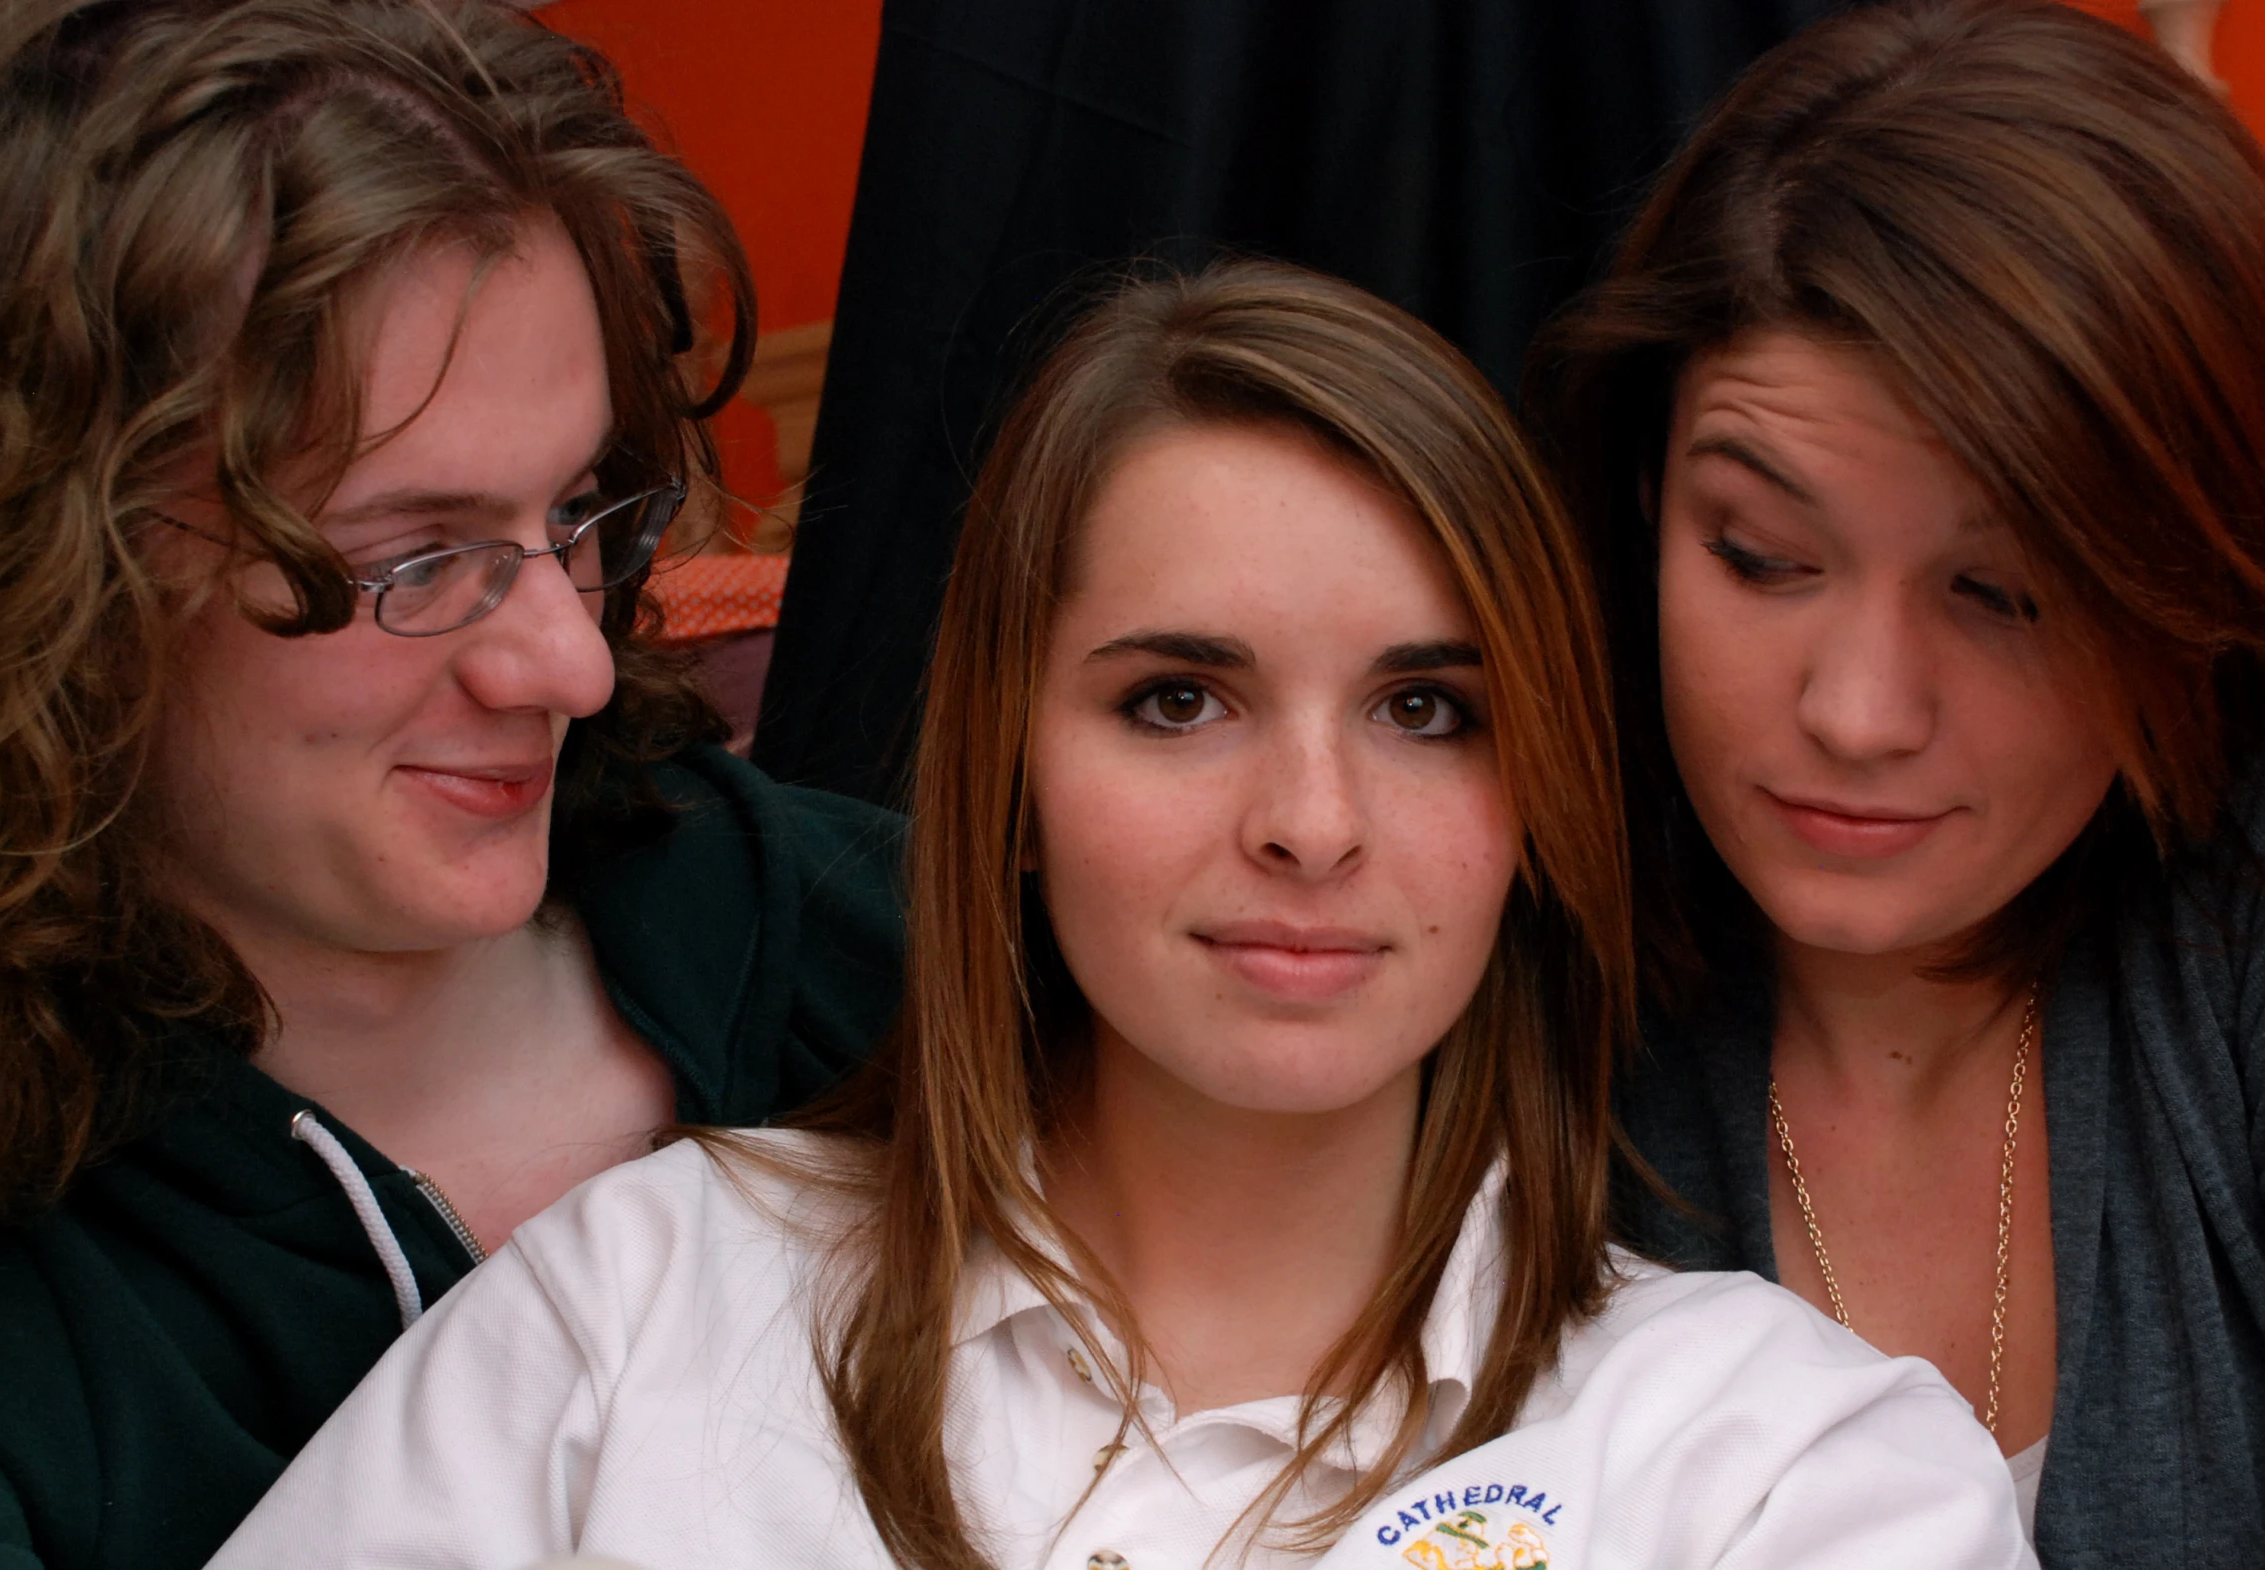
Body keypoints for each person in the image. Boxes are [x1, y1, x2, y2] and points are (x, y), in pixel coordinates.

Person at [211, 261, 2028, 1570]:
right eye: (1179, 698)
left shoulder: (1787, 1470)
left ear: (1533, 796)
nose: (1310, 826)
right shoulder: (635, 1315)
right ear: (1003, 771)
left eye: (1425, 709)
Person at [0, 3, 903, 1566]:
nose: (570, 666)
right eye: (415, 559)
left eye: (578, 510)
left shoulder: (894, 959)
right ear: (48, 583)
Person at [1523, 1, 2265, 1562]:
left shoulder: (2226, 953)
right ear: (1646, 502)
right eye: (1761, 556)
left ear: (2185, 594)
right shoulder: (1477, 973)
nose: (1857, 713)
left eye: (1999, 592)